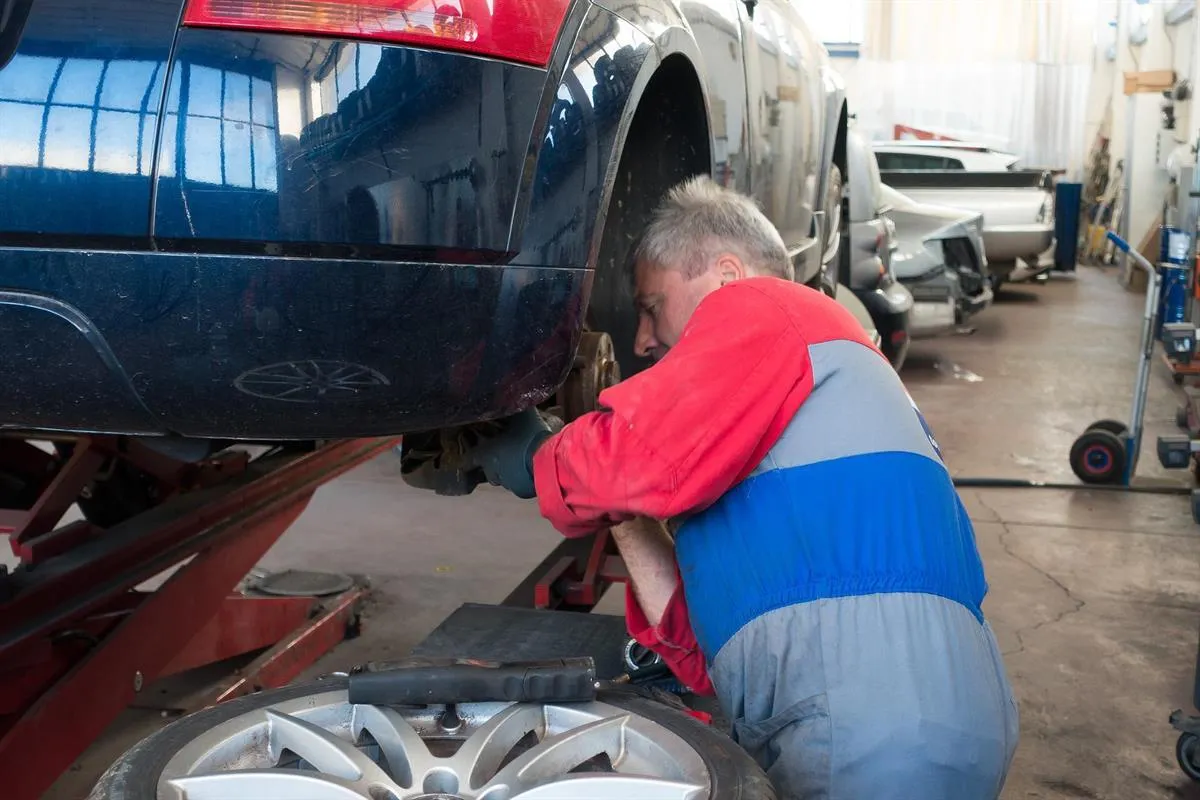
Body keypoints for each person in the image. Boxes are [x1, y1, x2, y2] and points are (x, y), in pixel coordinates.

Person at [467, 175, 1019, 799]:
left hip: (874, 727)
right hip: (915, 723)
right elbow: (704, 653)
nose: (643, 341)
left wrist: (541, 455)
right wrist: (620, 510)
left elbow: (635, 458)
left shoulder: (773, 307)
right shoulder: (813, 395)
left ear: (725, 276)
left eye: (652, 307)